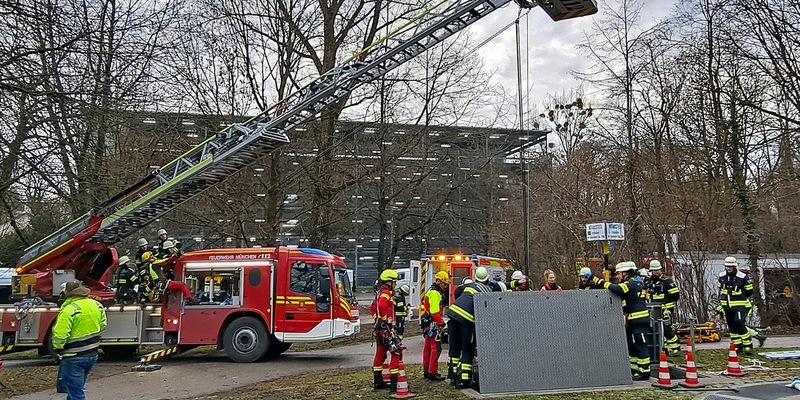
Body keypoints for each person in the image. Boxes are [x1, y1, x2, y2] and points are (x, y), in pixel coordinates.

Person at [590, 261, 651, 380]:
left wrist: (600, 281)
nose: (617, 277)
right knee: (632, 347)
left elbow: (617, 289)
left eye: (618, 274)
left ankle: (645, 372)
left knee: (639, 345)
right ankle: (635, 371)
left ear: (625, 273)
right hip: (632, 322)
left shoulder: (632, 283)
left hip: (638, 321)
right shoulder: (633, 283)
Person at [53, 280, 107, 400]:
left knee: (76, 393)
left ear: (67, 294)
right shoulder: (97, 305)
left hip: (73, 356)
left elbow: (60, 335)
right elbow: (103, 326)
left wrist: (58, 348)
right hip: (92, 355)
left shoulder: (69, 309)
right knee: (75, 389)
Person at [446, 266, 491, 389]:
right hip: (466, 320)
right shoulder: (486, 291)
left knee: (455, 347)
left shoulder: (470, 286)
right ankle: (464, 381)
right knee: (467, 348)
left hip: (453, 314)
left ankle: (453, 376)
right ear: (487, 279)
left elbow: (457, 292)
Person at [370, 269, 401, 391]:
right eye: (394, 282)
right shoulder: (386, 293)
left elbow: (372, 308)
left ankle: (378, 381)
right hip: (387, 329)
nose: (396, 285)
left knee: (380, 353)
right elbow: (382, 306)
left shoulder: (379, 292)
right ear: (389, 282)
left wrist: (377, 319)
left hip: (379, 329)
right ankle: (394, 382)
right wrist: (385, 319)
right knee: (396, 352)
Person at [716, 256, 755, 353]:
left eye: (730, 266)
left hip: (740, 305)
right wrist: (720, 309)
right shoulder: (722, 276)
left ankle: (748, 345)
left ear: (735, 266)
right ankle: (737, 345)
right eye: (727, 266)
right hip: (727, 306)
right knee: (731, 326)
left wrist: (741, 296)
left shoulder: (742, 277)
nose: (729, 268)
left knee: (739, 323)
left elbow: (750, 290)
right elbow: (721, 291)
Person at [647, 260, 681, 356]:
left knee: (666, 328)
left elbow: (675, 295)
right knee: (658, 328)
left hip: (666, 308)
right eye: (655, 270)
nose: (657, 272)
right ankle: (664, 349)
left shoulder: (667, 281)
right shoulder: (649, 281)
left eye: (658, 270)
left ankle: (676, 348)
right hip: (654, 309)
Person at [421, 271, 449, 381]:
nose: (445, 287)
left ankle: (427, 371)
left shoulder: (431, 291)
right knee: (435, 349)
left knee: (428, 349)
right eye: (444, 284)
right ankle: (432, 372)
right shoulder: (435, 293)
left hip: (428, 324)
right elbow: (434, 312)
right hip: (433, 325)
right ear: (439, 282)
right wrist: (442, 324)